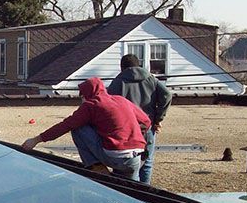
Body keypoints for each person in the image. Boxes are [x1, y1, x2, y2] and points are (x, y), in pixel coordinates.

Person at [21, 77, 150, 180]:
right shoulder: (121, 99)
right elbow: (146, 122)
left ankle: (97, 166)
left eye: (81, 96)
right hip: (135, 158)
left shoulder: (91, 104)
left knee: (78, 128)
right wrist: (132, 135)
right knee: (129, 193)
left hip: (115, 155)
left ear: (86, 94)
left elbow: (66, 125)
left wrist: (36, 140)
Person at [107, 54, 172, 184]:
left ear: (122, 67)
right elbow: (167, 95)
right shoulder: (151, 79)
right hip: (148, 126)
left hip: (127, 129)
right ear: (139, 65)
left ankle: (133, 191)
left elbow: (109, 105)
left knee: (133, 162)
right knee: (147, 162)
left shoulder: (118, 82)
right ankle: (146, 190)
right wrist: (158, 118)